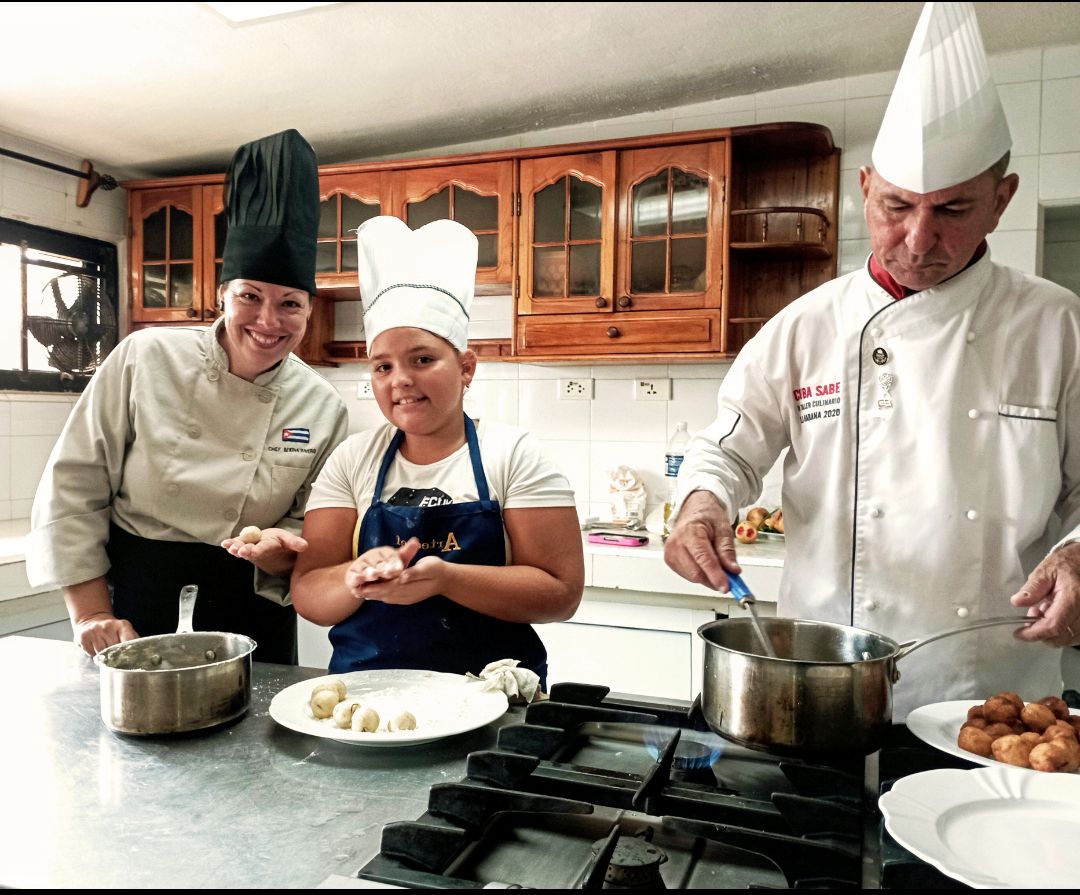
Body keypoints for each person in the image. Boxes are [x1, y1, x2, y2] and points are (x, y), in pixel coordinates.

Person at [664, 1, 1080, 719]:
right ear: (864, 190)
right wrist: (701, 504)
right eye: (895, 206)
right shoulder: (805, 327)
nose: (918, 240)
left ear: (1001, 200)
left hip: (989, 697)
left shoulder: (1057, 326)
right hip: (820, 688)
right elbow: (727, 451)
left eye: (951, 209)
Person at [27, 129, 349, 664]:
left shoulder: (322, 405)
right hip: (134, 605)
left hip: (255, 609)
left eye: (290, 303)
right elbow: (75, 482)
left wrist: (278, 550)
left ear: (309, 310)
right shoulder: (144, 357)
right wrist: (89, 612)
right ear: (222, 294)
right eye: (250, 296)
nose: (269, 322)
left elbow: (313, 522)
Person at [291, 216, 584, 685]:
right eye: (382, 366)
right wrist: (354, 578)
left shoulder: (514, 454)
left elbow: (560, 594)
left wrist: (447, 579)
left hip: (492, 698)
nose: (400, 380)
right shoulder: (351, 460)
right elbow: (308, 593)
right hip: (367, 700)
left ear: (466, 367)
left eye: (423, 359)